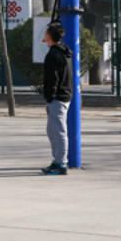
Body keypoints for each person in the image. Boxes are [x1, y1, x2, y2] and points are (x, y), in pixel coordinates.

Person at [41, 22, 73, 176]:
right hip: (62, 96)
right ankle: (57, 161)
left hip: (57, 97)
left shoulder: (54, 55)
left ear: (49, 35)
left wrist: (50, 96)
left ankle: (61, 164)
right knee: (52, 130)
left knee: (58, 131)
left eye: (46, 31)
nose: (44, 33)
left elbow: (52, 79)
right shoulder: (63, 52)